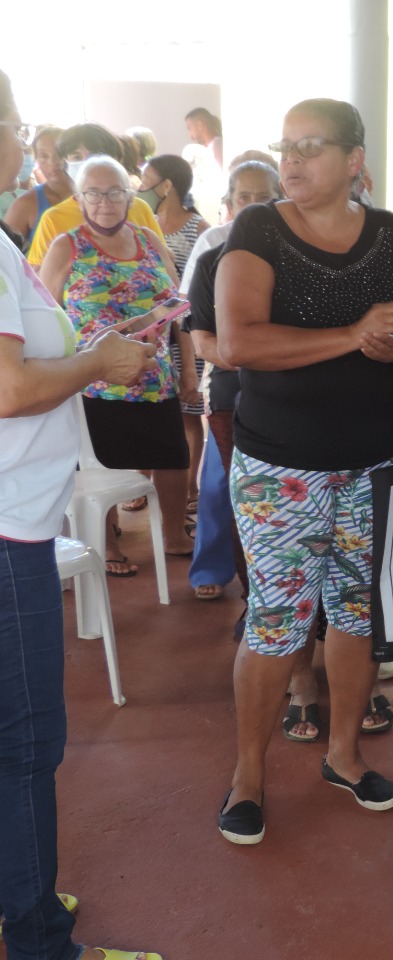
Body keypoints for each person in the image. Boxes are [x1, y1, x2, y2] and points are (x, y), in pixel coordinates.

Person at [214, 97, 393, 845]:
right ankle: (247, 775)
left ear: (354, 160)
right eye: (285, 145)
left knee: (357, 617)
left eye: (311, 146)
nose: (292, 160)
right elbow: (239, 342)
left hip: (375, 465)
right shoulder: (258, 230)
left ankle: (344, 756)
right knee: (278, 625)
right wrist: (354, 335)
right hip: (282, 466)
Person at [0, 65, 164, 960]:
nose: (29, 141)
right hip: (8, 527)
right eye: (17, 122)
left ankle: (19, 890)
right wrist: (98, 362)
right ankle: (38, 941)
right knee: (25, 743)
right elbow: (11, 386)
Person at [38, 156, 195, 572]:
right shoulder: (67, 245)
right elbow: (47, 314)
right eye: (93, 192)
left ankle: (175, 534)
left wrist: (190, 370)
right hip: (94, 381)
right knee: (99, 465)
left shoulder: (148, 238)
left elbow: (178, 306)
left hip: (154, 377)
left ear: (130, 196)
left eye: (114, 192)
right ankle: (107, 543)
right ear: (79, 198)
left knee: (173, 457)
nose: (104, 201)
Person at [183, 160, 283, 605]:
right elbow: (198, 332)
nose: (255, 206)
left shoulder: (295, 247)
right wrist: (247, 357)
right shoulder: (211, 250)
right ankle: (224, 575)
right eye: (245, 197)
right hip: (232, 384)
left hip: (291, 389)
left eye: (265, 197)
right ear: (228, 203)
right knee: (224, 485)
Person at [138, 154, 212, 513]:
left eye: (146, 178)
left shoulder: (199, 228)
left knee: (187, 410)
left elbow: (202, 287)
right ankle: (141, 484)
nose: (140, 186)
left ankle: (190, 487)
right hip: (154, 336)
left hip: (186, 330)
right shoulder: (142, 225)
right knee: (151, 414)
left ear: (167, 185)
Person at [25, 124, 165, 268]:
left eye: (97, 154)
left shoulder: (140, 208)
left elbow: (165, 263)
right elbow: (39, 279)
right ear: (66, 164)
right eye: (77, 156)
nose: (88, 162)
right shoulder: (53, 218)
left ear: (117, 160)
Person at [3, 126, 70, 249]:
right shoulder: (25, 204)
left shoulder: (93, 197)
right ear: (36, 159)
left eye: (59, 154)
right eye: (44, 155)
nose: (53, 161)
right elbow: (6, 255)